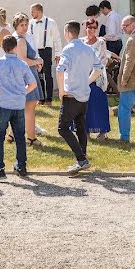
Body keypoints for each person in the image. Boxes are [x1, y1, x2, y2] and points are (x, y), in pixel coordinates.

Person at [0, 35, 38, 180]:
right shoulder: (23, 64)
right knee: (20, 136)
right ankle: (21, 166)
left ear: (3, 48)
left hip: (3, 103)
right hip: (18, 104)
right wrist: (23, 92)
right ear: (16, 47)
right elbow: (33, 84)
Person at [57, 21, 104, 175]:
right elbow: (99, 68)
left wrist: (61, 91)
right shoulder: (88, 49)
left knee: (63, 128)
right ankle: (82, 159)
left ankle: (81, 159)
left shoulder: (68, 49)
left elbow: (59, 69)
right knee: (80, 127)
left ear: (68, 32)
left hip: (71, 94)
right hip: (84, 94)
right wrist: (87, 81)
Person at [13, 12, 44, 147]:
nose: (24, 27)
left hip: (26, 75)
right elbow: (23, 60)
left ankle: (11, 135)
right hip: (26, 77)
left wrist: (36, 62)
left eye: (26, 24)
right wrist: (37, 60)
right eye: (21, 25)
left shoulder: (20, 38)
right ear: (16, 26)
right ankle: (31, 138)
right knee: (30, 108)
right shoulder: (20, 40)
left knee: (21, 107)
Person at [82, 18, 114, 140]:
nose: (92, 30)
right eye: (90, 27)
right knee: (85, 105)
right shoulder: (81, 42)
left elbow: (102, 59)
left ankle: (102, 131)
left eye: (95, 28)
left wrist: (92, 69)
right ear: (86, 28)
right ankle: (86, 130)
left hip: (97, 77)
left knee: (99, 104)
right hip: (83, 77)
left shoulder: (101, 42)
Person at [29, 3, 62, 106]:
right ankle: (41, 98)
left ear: (39, 11)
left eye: (33, 12)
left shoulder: (51, 22)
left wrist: (58, 53)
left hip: (46, 50)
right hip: (35, 51)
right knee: (38, 76)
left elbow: (57, 39)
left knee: (48, 75)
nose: (31, 14)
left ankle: (49, 99)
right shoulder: (30, 23)